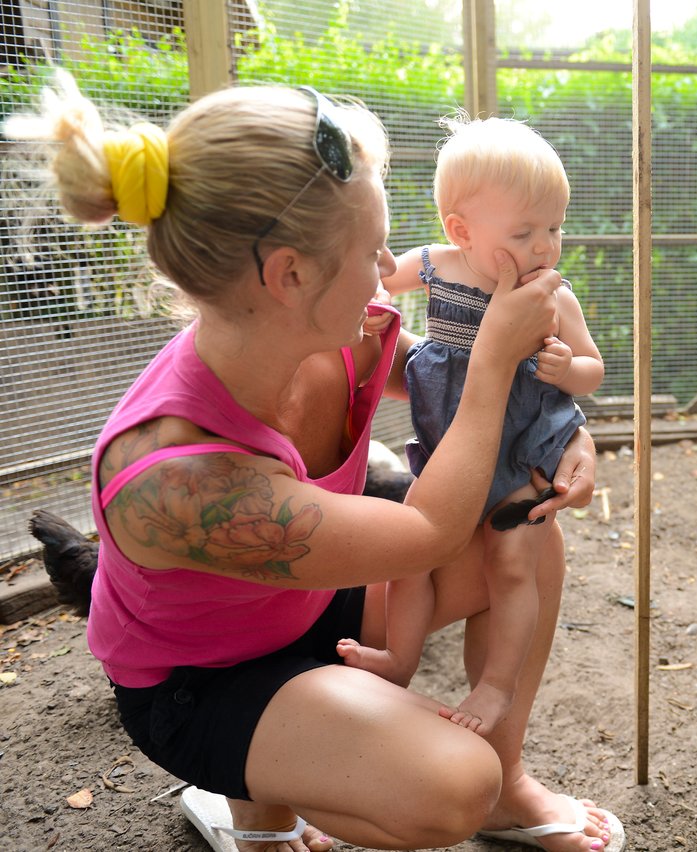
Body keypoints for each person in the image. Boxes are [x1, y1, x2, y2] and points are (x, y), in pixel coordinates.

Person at [6, 72, 623, 852]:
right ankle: (253, 798)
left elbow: (452, 381)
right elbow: (432, 528)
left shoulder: (344, 335)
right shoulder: (173, 476)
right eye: (373, 250)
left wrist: (562, 434)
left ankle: (499, 780)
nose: (391, 263)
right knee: (453, 786)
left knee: (529, 527)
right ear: (289, 275)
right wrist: (500, 360)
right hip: (207, 678)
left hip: (308, 599)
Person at [337, 114, 604, 736]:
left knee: (515, 562)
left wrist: (568, 368)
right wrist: (368, 314)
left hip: (522, 453)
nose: (544, 246)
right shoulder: (435, 265)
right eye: (524, 231)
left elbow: (593, 369)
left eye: (554, 228)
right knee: (411, 558)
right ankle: (399, 660)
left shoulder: (551, 296)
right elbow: (376, 280)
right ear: (461, 230)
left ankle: (496, 685)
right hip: (448, 452)